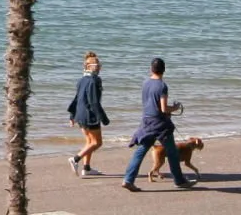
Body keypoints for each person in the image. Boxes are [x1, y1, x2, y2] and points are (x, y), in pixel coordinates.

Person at [121, 57, 197, 191]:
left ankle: (128, 179)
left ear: (151, 69)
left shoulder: (145, 83)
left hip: (147, 121)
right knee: (172, 152)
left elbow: (149, 103)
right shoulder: (162, 86)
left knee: (140, 151)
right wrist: (175, 108)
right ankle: (179, 180)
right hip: (160, 124)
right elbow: (163, 108)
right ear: (164, 70)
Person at [67, 51, 109, 177]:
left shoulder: (81, 80)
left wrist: (72, 115)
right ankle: (75, 159)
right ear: (88, 67)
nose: (99, 66)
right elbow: (94, 102)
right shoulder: (94, 81)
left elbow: (76, 98)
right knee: (97, 142)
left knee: (89, 142)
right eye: (96, 65)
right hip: (89, 115)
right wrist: (103, 118)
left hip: (80, 114)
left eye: (99, 64)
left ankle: (87, 168)